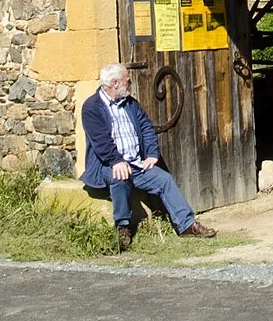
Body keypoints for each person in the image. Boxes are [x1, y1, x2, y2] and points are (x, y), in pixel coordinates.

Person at [80, 63, 217, 250]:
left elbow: (146, 128)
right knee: (120, 176)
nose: (130, 83)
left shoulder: (130, 104)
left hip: (136, 164)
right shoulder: (92, 107)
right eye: (127, 81)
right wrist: (117, 161)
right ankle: (123, 228)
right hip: (107, 165)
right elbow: (100, 140)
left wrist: (152, 154)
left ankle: (186, 225)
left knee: (164, 179)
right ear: (114, 83)